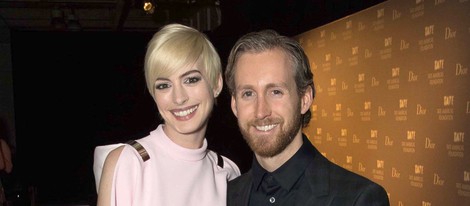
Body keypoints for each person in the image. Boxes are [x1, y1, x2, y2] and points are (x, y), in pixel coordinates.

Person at [224, 30, 390, 206]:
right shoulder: (224, 196)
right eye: (248, 94)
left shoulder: (358, 198)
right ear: (235, 105)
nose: (261, 112)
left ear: (305, 99)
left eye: (276, 92)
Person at [95, 23, 241, 206]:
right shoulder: (130, 162)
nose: (178, 98)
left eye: (191, 80)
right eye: (164, 85)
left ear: (216, 84)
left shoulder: (226, 171)